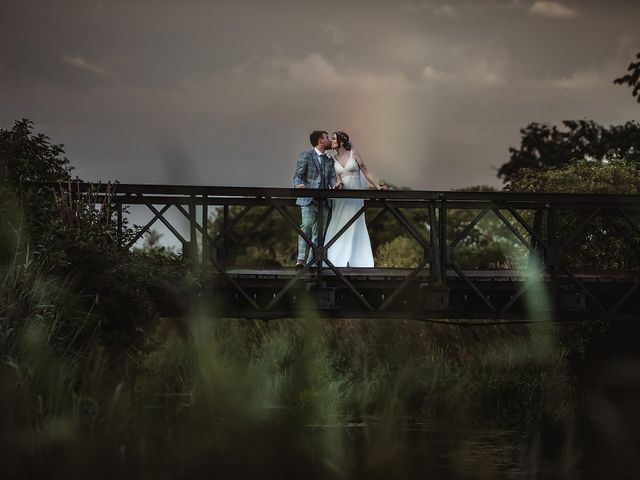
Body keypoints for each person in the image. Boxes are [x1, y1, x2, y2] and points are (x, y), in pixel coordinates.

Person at [325, 131, 388, 268]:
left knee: (355, 222)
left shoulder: (354, 154)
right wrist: (337, 185)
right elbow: (337, 179)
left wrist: (378, 187)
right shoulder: (332, 160)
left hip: (355, 195)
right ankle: (335, 260)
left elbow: (366, 172)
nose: (332, 140)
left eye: (334, 138)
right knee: (339, 223)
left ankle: (357, 261)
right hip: (341, 198)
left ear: (341, 141)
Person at [292, 130, 343, 267]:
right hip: (308, 199)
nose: (329, 141)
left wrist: (336, 185)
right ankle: (301, 259)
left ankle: (312, 262)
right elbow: (298, 175)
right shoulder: (306, 155)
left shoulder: (329, 160)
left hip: (324, 201)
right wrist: (299, 185)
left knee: (319, 232)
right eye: (327, 138)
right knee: (306, 225)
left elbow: (332, 178)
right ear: (321, 140)